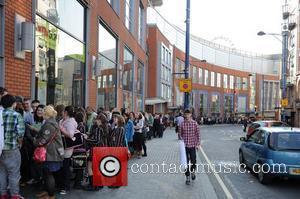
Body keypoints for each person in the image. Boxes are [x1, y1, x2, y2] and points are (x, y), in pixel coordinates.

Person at [33, 106, 64, 199]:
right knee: (47, 173)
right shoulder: (52, 122)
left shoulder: (49, 124)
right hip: (51, 152)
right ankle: (47, 192)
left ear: (46, 114)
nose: (41, 113)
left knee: (48, 174)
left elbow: (44, 139)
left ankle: (51, 195)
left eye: (43, 112)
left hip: (51, 153)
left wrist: (35, 141)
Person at [0, 94, 25, 199]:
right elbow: (20, 134)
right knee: (14, 173)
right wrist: (20, 144)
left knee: (2, 172)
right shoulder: (16, 115)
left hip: (0, 149)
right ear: (13, 104)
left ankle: (3, 194)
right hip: (12, 148)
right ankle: (15, 195)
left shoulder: (0, 114)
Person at [84, 113, 109, 191]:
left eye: (97, 119)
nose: (96, 121)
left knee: (90, 167)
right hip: (102, 149)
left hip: (96, 149)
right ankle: (99, 184)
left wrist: (87, 139)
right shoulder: (105, 128)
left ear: (100, 120)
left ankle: (93, 185)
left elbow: (96, 141)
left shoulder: (98, 128)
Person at [58, 106, 77, 195]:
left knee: (65, 166)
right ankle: (62, 184)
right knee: (63, 166)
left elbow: (70, 134)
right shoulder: (63, 120)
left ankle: (66, 186)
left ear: (65, 112)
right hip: (62, 146)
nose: (61, 112)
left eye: (63, 111)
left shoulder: (70, 122)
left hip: (67, 147)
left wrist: (61, 129)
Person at [179, 109, 200, 185]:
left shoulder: (195, 124)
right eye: (185, 114)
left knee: (193, 161)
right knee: (185, 163)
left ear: (190, 114)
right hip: (185, 147)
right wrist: (181, 140)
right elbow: (180, 134)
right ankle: (187, 177)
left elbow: (198, 135)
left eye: (188, 114)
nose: (187, 115)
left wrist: (198, 144)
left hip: (192, 145)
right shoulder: (182, 124)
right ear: (184, 115)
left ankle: (193, 172)